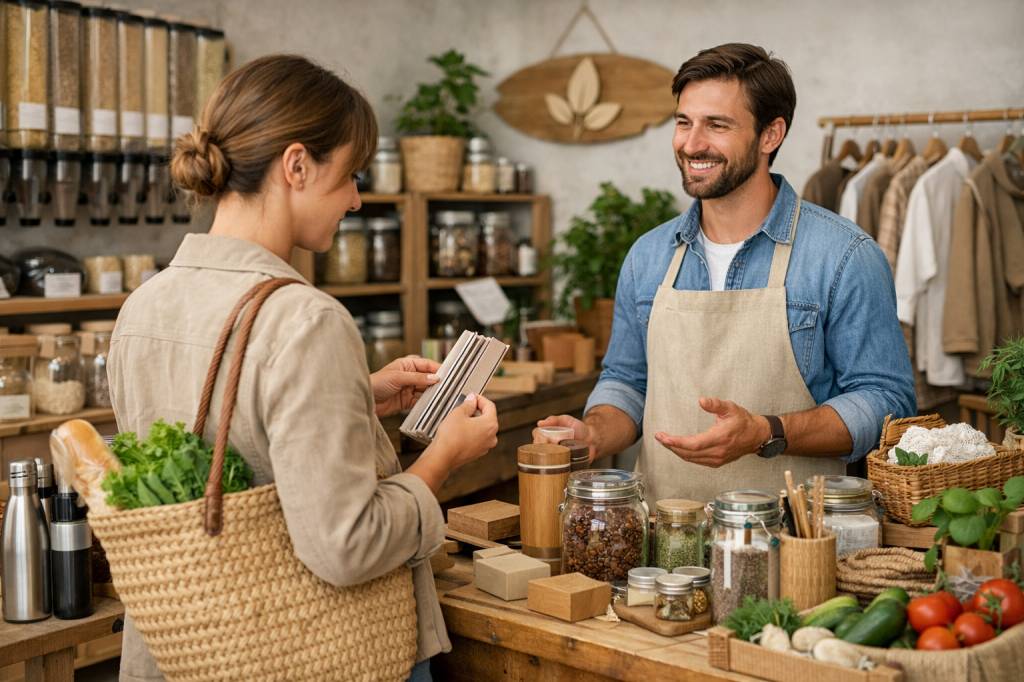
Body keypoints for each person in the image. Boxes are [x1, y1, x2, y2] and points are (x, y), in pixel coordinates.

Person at [107, 55, 498, 682]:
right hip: (303, 653)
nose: (356, 198)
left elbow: (214, 438)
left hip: (183, 652)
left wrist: (355, 396)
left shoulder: (143, 306)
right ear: (296, 165)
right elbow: (346, 545)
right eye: (349, 175)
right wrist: (445, 456)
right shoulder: (306, 320)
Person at [537, 43, 915, 503]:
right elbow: (627, 383)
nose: (692, 144)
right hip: (663, 541)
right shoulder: (648, 255)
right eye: (683, 122)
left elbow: (885, 404)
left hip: (796, 543)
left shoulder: (844, 255)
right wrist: (592, 434)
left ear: (770, 134)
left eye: (716, 125)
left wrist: (766, 431)